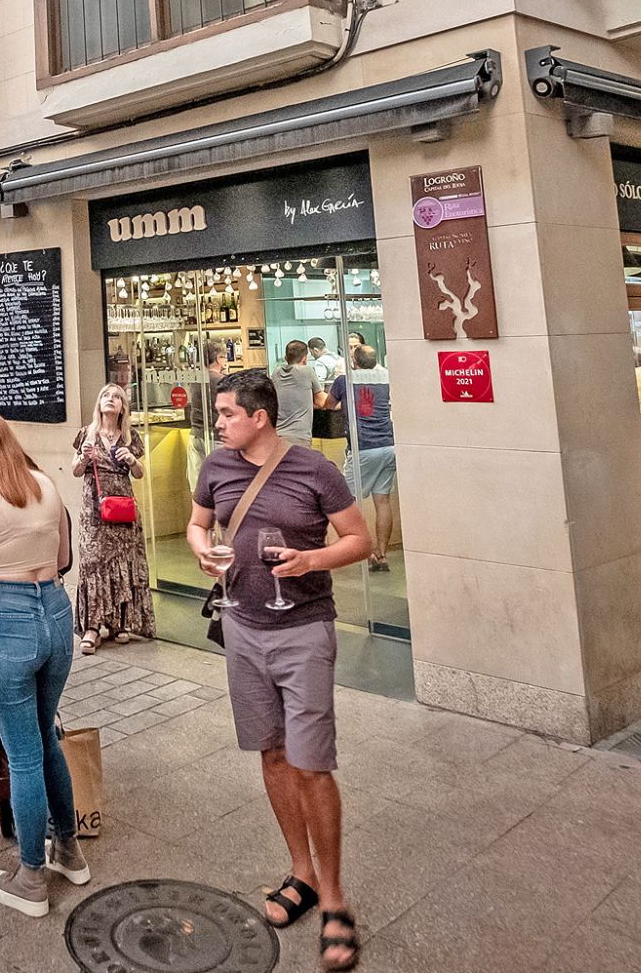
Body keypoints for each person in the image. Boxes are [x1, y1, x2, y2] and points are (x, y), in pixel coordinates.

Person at [188, 369, 371, 972]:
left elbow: (359, 539)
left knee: (313, 765)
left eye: (225, 414)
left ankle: (337, 899)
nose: (217, 424)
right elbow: (197, 522)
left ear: (258, 416)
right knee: (271, 753)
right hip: (242, 629)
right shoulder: (216, 467)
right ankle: (302, 873)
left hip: (304, 632)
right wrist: (200, 549)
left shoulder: (314, 469)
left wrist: (310, 559)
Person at [0, 410, 87, 918]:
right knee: (46, 735)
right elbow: (64, 556)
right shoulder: (47, 486)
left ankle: (31, 876)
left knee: (24, 753)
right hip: (55, 611)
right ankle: (69, 851)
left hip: (7, 618)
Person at [70, 383, 153, 654]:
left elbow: (140, 474)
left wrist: (131, 460)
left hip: (123, 509)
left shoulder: (130, 437)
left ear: (122, 408)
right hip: (94, 510)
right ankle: (93, 627)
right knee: (94, 563)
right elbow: (75, 470)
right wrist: (83, 458)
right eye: (106, 395)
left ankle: (121, 622)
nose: (111, 400)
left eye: (117, 397)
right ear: (99, 403)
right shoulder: (87, 434)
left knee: (123, 561)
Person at [329, 346, 398, 571]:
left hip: (363, 448)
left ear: (354, 362)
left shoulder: (344, 380)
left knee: (348, 502)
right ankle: (383, 554)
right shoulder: (388, 376)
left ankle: (366, 553)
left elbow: (327, 405)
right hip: (388, 445)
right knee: (383, 501)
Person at [271, 341, 322, 447]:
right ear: (305, 358)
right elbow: (320, 401)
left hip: (277, 437)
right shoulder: (307, 371)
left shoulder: (276, 372)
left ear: (286, 357)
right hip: (300, 437)